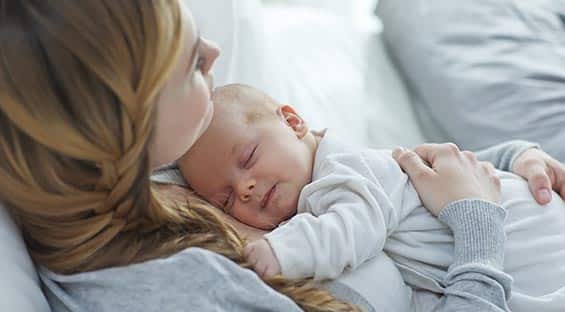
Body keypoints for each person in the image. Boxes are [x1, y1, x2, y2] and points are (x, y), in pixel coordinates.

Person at [0, 1, 562, 311]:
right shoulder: (169, 286)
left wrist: (511, 157)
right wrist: (477, 226)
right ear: (121, 116)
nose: (215, 51)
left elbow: (396, 168)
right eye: (189, 60)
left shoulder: (177, 168)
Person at [179, 84, 565, 311]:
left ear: (294, 123)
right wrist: (511, 156)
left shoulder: (341, 171)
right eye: (226, 199)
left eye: (248, 158)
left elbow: (356, 225)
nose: (244, 188)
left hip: (531, 237)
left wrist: (279, 253)